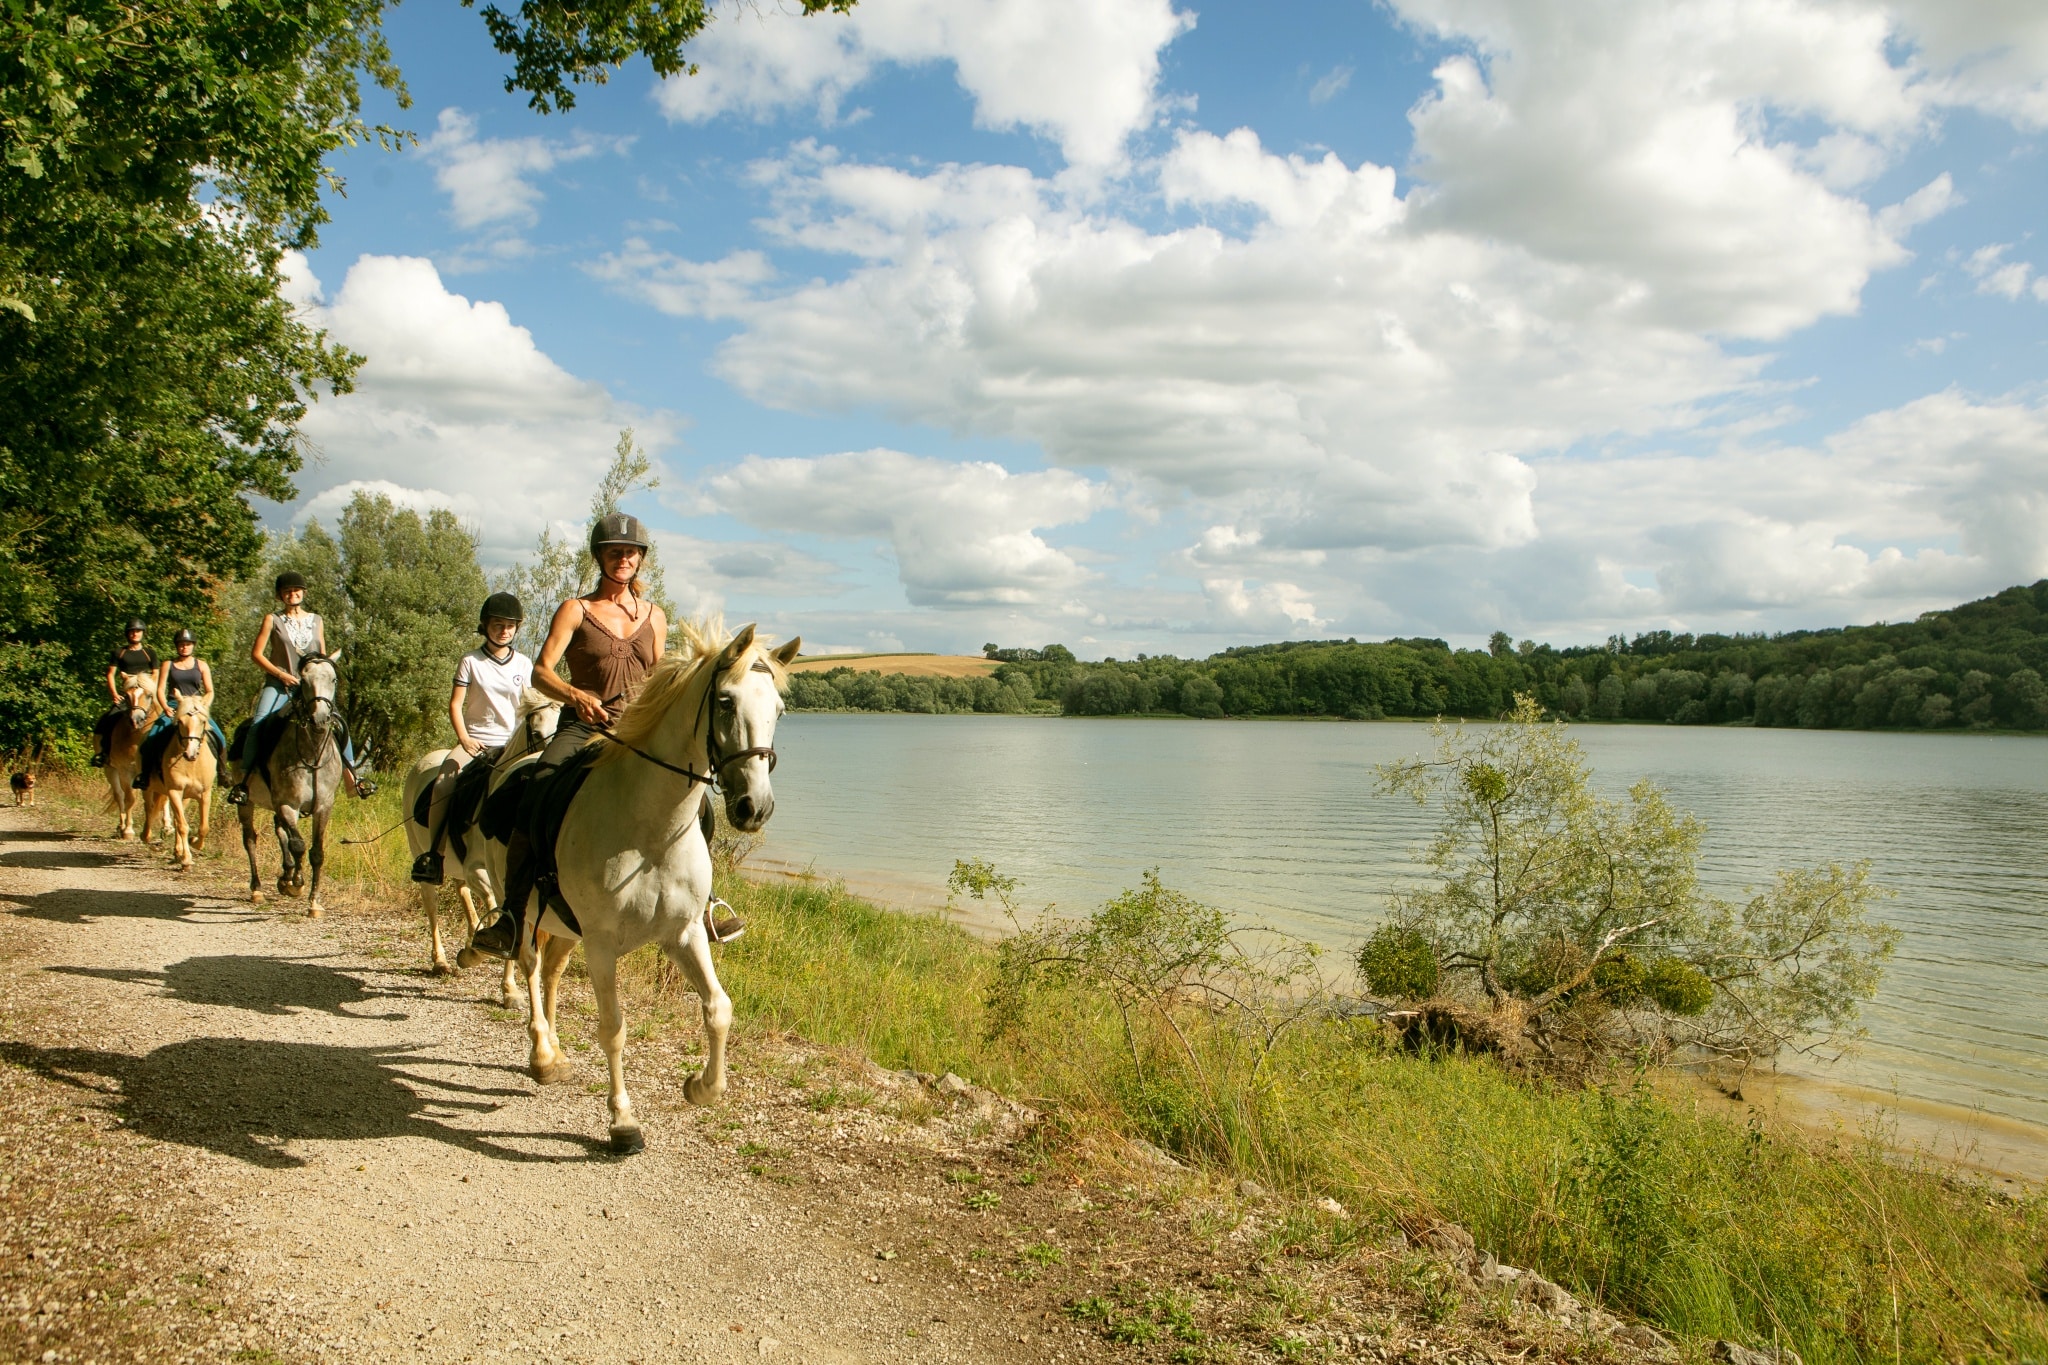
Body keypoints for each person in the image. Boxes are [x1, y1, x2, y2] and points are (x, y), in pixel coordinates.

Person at [472, 512, 745, 957]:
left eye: (631, 552)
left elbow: (660, 677)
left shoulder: (654, 616)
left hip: (636, 732)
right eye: (615, 552)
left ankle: (706, 904)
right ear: (600, 557)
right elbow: (541, 673)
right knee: (538, 789)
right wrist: (575, 695)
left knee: (699, 804)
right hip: (582, 728)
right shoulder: (575, 610)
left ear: (641, 560)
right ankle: (510, 914)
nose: (624, 558)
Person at [410, 593, 533, 884]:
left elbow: (530, 705)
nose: (504, 630)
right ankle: (434, 856)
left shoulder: (525, 665)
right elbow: (455, 704)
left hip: (511, 744)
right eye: (498, 624)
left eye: (510, 625)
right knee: (442, 784)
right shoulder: (470, 661)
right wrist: (463, 739)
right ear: (485, 626)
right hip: (476, 740)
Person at [227, 571, 375, 804]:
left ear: (303, 593)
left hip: (310, 686)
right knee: (258, 723)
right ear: (280, 596)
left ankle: (353, 778)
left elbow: (321, 656)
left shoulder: (316, 620)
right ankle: (244, 783)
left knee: (338, 723)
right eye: (287, 591)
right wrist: (281, 674)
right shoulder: (272, 619)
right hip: (278, 685)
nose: (292, 594)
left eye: (296, 590)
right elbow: (256, 654)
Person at [139, 629, 228, 776]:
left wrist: (203, 706)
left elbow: (210, 691)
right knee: (151, 737)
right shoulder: (168, 664)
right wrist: (166, 707)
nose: (184, 647)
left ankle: (223, 772)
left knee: (219, 737)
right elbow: (160, 690)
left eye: (187, 644)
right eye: (181, 644)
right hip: (175, 706)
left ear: (193, 645)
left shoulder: (201, 665)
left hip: (197, 707)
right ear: (176, 646)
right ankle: (145, 775)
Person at [91, 619, 157, 767]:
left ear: (142, 633)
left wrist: (150, 691)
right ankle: (103, 753)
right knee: (107, 720)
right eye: (132, 631)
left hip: (145, 694)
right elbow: (110, 674)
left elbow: (155, 674)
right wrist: (115, 694)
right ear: (127, 634)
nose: (135, 634)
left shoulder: (149, 653)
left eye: (138, 631)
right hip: (128, 694)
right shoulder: (119, 652)